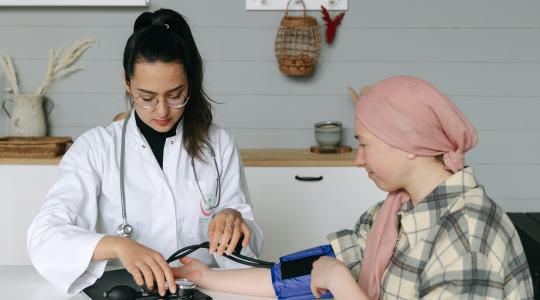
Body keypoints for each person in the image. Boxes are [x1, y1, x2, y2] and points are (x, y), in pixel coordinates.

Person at [174, 76, 534, 299]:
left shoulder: (467, 231)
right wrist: (206, 276)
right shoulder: (393, 212)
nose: (358, 159)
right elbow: (307, 270)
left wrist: (341, 283)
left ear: (408, 144)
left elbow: (332, 272)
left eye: (365, 144)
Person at [27, 8, 263, 297]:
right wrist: (117, 245)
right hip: (130, 290)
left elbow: (248, 249)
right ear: (126, 82)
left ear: (190, 81)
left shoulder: (219, 144)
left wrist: (234, 220)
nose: (162, 111)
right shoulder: (96, 148)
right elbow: (45, 237)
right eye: (147, 97)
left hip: (208, 291)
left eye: (175, 95)